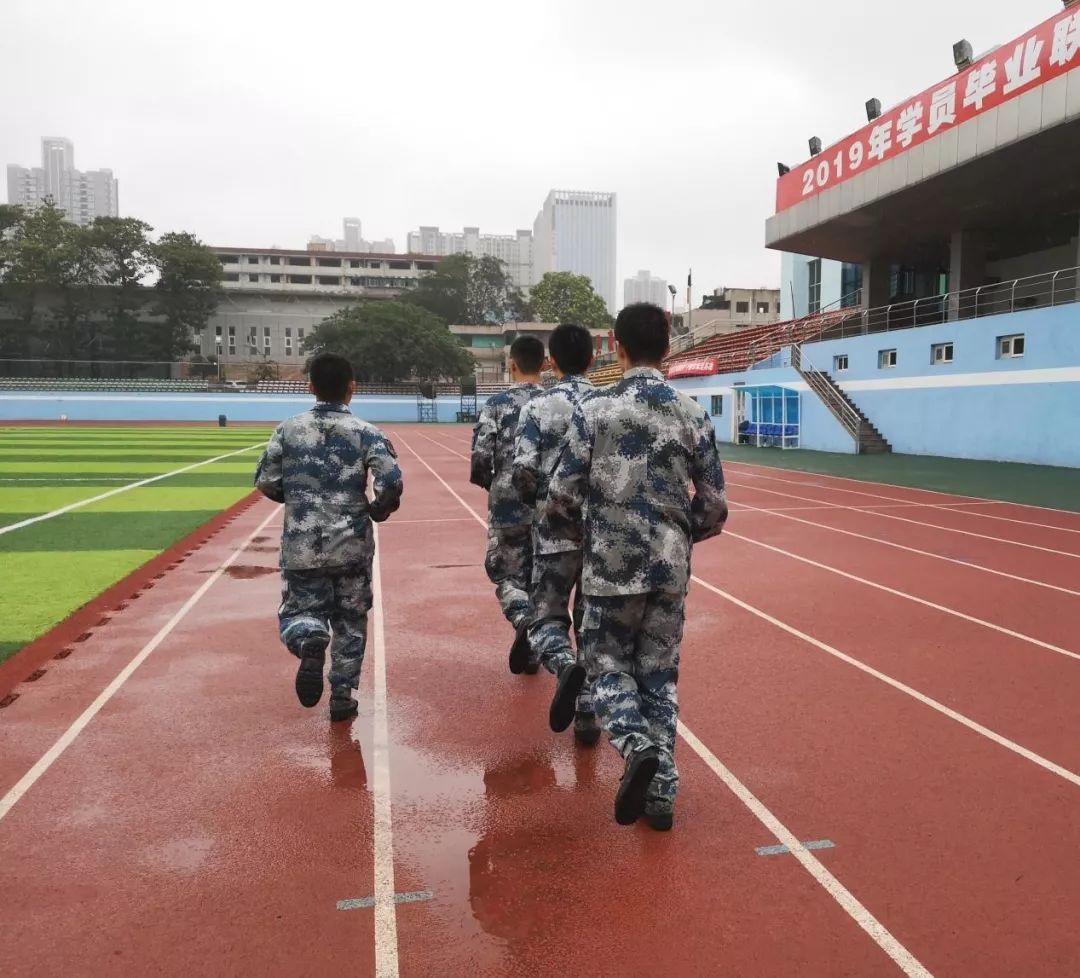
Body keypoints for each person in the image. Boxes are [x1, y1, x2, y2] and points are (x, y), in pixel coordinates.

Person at [542, 303, 728, 830]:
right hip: (669, 570)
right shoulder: (693, 413)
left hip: (608, 570)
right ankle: (662, 796)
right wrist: (681, 536)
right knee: (658, 678)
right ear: (667, 348)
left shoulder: (596, 411)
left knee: (604, 668)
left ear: (616, 348)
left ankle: (635, 743)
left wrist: (585, 535)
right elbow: (714, 505)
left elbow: (561, 495)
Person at [254, 352, 403, 722]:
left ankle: (309, 639)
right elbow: (391, 482)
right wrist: (377, 510)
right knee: (351, 620)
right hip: (351, 544)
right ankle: (341, 695)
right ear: (352, 387)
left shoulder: (287, 430)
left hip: (302, 545)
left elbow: (267, 481)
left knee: (300, 611)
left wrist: (301, 502)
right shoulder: (368, 433)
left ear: (311, 386)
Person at [511, 323, 599, 745]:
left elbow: (523, 470)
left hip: (552, 533)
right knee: (591, 624)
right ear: (593, 359)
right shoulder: (607, 406)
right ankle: (586, 714)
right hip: (601, 536)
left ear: (552, 362)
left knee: (545, 616)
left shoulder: (539, 408)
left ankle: (563, 666)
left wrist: (540, 504)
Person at [470, 334, 546, 672]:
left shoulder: (496, 405)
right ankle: (536, 650)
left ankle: (521, 616)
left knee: (507, 576)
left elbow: (480, 461)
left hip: (508, 505)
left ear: (511, 364)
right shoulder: (559, 404)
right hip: (551, 508)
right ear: (544, 364)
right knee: (545, 579)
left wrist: (497, 485)